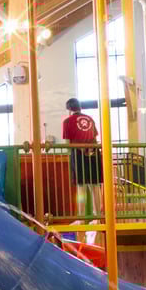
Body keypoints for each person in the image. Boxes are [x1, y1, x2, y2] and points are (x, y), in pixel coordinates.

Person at [62, 98, 103, 243]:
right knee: (95, 185)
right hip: (94, 154)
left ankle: (80, 218)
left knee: (81, 187)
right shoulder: (90, 119)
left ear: (69, 109)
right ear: (80, 107)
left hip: (78, 154)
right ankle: (98, 217)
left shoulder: (67, 122)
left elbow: (68, 143)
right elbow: (94, 137)